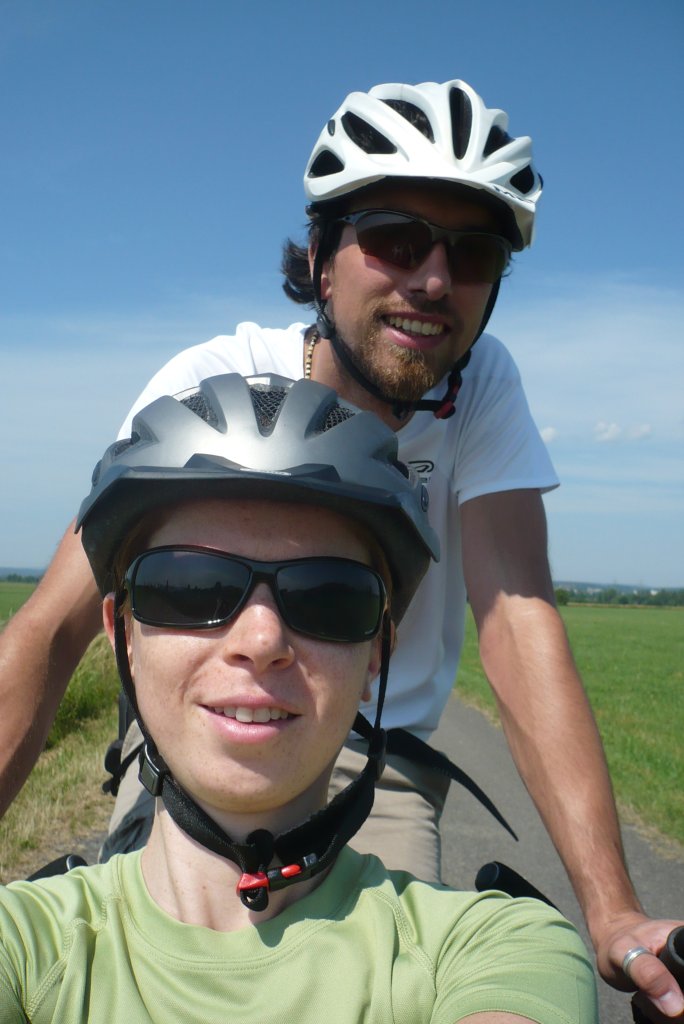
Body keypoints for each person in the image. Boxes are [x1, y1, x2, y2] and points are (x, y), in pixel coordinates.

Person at [0, 77, 681, 1019]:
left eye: (473, 253)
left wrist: (610, 911)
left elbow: (518, 623)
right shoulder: (216, 384)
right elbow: (51, 628)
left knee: (395, 976)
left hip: (378, 753)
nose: (433, 280)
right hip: (197, 734)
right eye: (396, 239)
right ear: (321, 261)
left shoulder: (482, 387)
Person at [0, 373, 598, 1023]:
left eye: (328, 598)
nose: (262, 640)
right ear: (123, 638)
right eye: (191, 587)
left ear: (377, 653)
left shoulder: (499, 948)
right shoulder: (21, 945)